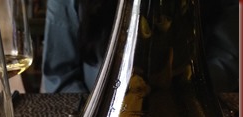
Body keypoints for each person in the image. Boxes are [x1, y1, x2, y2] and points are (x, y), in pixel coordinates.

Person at [41, 0, 239, 94]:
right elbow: (60, 76)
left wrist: (179, 95)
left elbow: (228, 59)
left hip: (191, 110)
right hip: (96, 115)